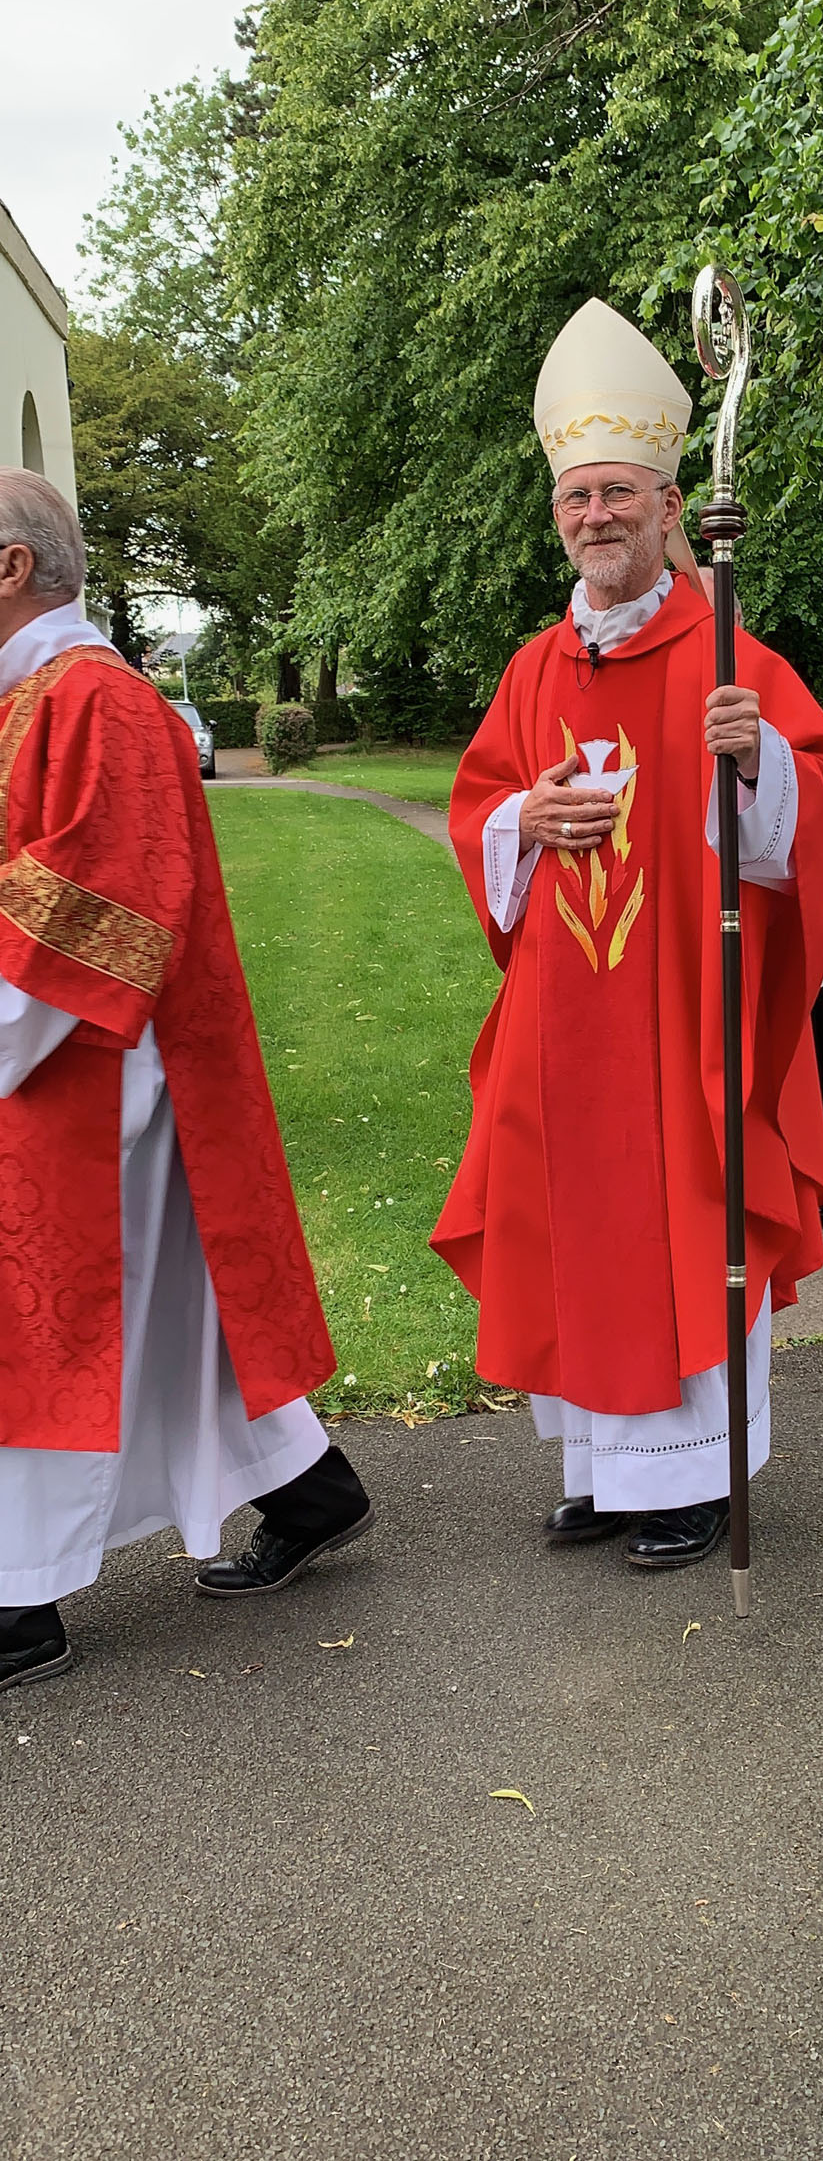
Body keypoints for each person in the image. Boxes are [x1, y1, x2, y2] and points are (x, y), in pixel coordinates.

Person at [432, 298, 823, 1569]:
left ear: (670, 507)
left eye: (617, 493)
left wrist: (760, 760)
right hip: (562, 1024)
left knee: (687, 1215)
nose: (595, 515)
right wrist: (523, 817)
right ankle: (601, 1467)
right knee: (572, 1227)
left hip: (686, 1015)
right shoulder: (532, 669)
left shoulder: (729, 653)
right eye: (576, 498)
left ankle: (689, 1475)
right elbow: (477, 809)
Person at [0, 470, 373, 1693]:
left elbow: (91, 909)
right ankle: (311, 1490)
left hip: (90, 1065)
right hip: (82, 1060)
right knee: (178, 1305)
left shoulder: (95, 701)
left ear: (11, 568)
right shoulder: (35, 696)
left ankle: (18, 1598)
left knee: (49, 1319)